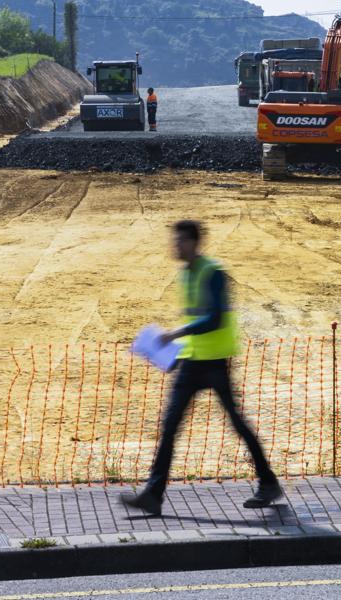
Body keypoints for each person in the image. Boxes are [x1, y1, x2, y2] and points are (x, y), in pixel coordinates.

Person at [121, 220, 281, 517]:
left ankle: (269, 482)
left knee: (237, 424)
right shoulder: (186, 275)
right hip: (193, 361)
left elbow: (215, 320)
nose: (175, 246)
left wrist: (175, 335)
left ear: (195, 242)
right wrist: (174, 356)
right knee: (170, 427)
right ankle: (153, 495)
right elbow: (198, 321)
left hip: (216, 361)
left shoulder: (213, 273)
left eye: (180, 240)